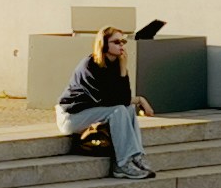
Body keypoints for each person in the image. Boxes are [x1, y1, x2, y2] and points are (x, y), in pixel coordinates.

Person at [58, 26, 154, 178]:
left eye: (123, 42)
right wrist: (140, 99)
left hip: (95, 112)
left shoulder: (117, 64)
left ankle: (136, 157)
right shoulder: (89, 65)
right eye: (116, 42)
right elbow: (106, 99)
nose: (121, 45)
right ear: (103, 44)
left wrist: (123, 70)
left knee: (127, 109)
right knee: (120, 109)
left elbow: (123, 99)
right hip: (72, 117)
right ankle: (122, 164)